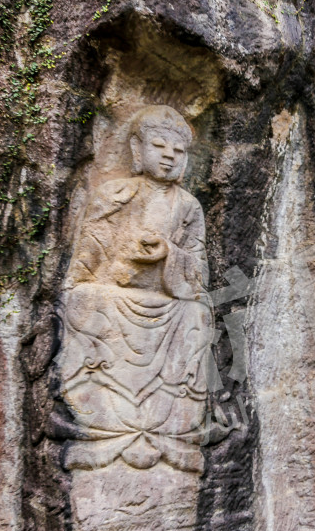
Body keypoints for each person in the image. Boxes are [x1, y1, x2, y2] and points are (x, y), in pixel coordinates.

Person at [57, 105, 214, 474]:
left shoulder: (188, 206)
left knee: (197, 313)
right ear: (137, 150)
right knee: (83, 301)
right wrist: (118, 263)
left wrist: (168, 253)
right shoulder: (115, 194)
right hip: (113, 297)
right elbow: (88, 257)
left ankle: (171, 421)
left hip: (168, 303)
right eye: (159, 146)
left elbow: (198, 269)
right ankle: (101, 418)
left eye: (178, 151)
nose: (169, 156)